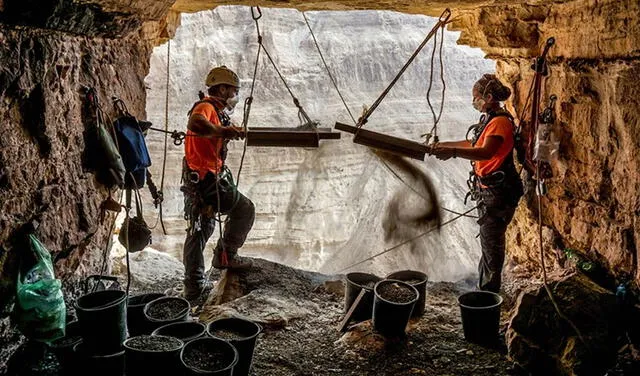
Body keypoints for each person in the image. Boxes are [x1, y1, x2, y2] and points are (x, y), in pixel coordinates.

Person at [427, 73, 524, 293]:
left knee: (492, 244)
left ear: (488, 97)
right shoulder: (489, 120)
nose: (474, 101)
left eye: (476, 97)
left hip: (499, 192)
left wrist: (452, 152)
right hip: (491, 189)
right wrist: (443, 145)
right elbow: (472, 143)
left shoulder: (500, 122)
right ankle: (486, 290)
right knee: (489, 244)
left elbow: (485, 152)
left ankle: (488, 297)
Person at [181, 66, 255, 301]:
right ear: (222, 89)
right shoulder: (205, 108)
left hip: (200, 179)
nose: (234, 96)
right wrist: (224, 131)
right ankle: (227, 254)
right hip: (207, 180)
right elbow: (196, 123)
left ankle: (193, 287)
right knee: (244, 209)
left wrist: (228, 130)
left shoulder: (216, 110)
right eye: (233, 91)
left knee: (201, 229)